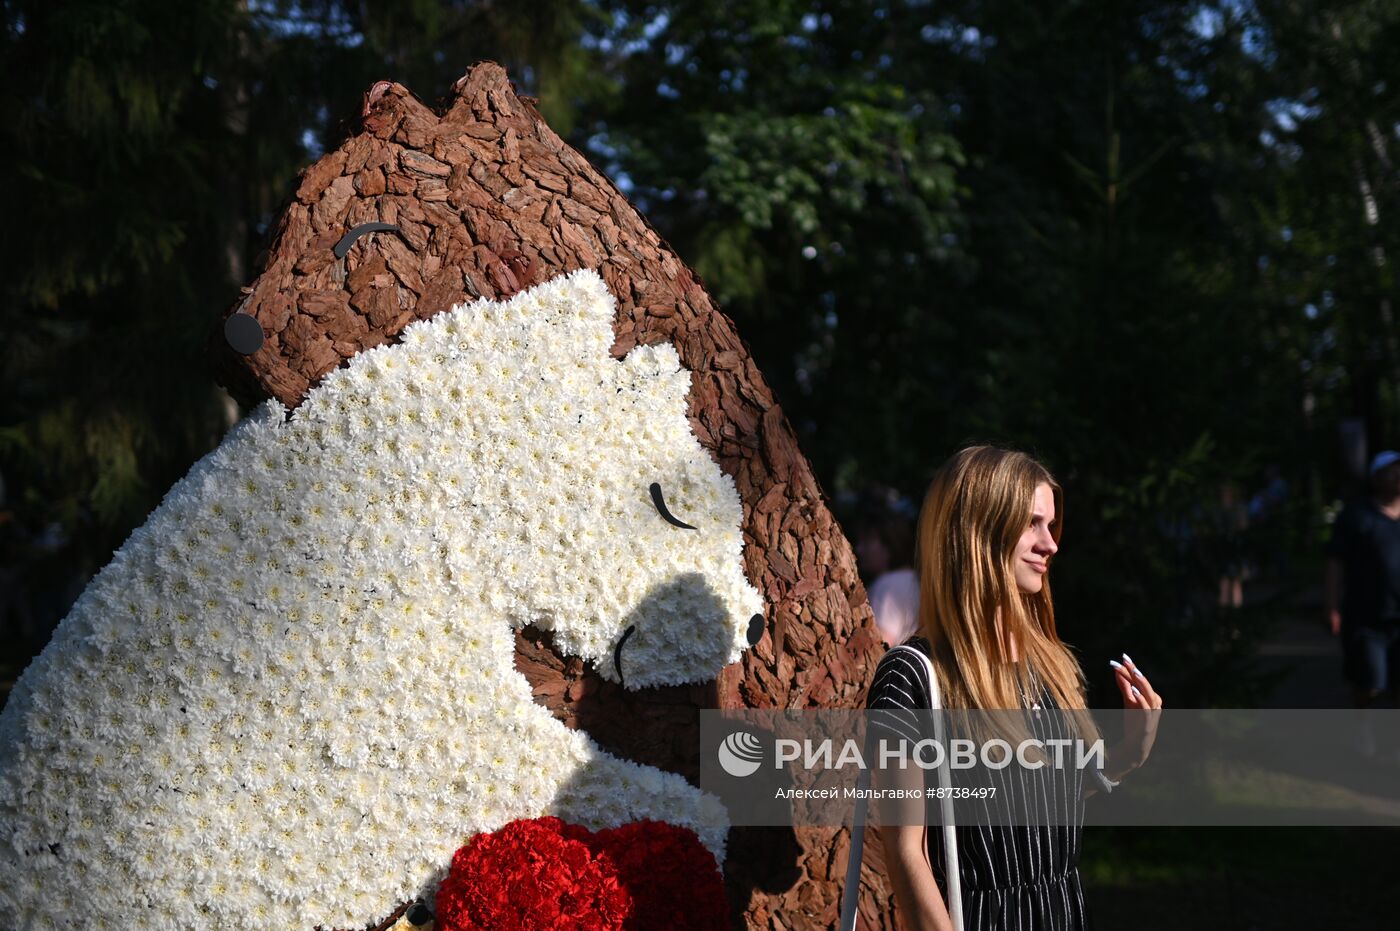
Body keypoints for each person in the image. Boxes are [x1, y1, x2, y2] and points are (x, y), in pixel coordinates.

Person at [866, 446, 1163, 931]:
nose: (1051, 544)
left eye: (1050, 525)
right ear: (978, 529)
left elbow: (1041, 803)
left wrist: (1130, 751)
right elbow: (906, 853)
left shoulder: (1048, 663)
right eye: (1032, 524)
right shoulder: (913, 677)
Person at [1324, 450, 1400, 719]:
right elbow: (1335, 562)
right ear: (1376, 479)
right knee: (1369, 684)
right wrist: (1332, 606)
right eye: (1391, 472)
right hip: (1366, 619)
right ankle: (1362, 733)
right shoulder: (1356, 516)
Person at [854, 495, 921, 646]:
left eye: (868, 540)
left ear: (890, 544)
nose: (859, 548)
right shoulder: (916, 579)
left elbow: (880, 645)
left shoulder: (887, 586)